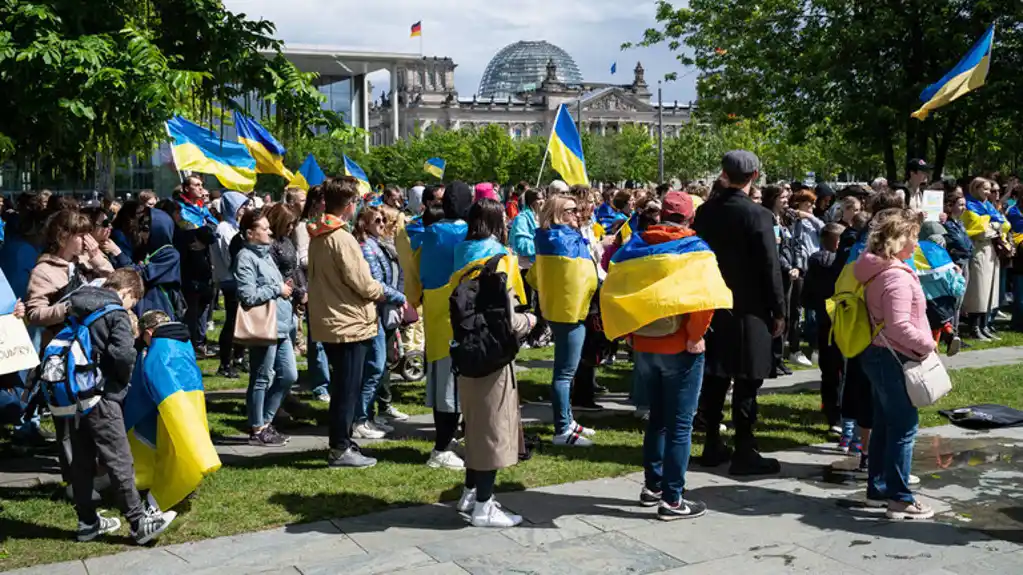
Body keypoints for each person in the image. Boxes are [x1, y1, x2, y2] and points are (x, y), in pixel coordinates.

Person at [618, 191, 724, 520]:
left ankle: (652, 486)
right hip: (680, 345)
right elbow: (704, 301)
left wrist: (629, 332)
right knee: (680, 425)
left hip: (646, 343)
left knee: (658, 420)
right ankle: (673, 499)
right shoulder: (695, 250)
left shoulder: (636, 246)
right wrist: (694, 336)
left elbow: (620, 289)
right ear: (690, 218)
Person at [64, 268, 177, 544]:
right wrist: (120, 386)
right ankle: (139, 523)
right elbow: (124, 355)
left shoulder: (78, 301)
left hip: (72, 393)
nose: (132, 308)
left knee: (82, 460)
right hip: (101, 394)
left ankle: (87, 522)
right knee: (119, 459)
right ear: (127, 292)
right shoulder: (115, 313)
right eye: (134, 302)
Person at [692, 150, 786, 476]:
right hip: (750, 309)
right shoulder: (758, 216)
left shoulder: (705, 212)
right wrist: (779, 309)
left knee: (716, 378)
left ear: (724, 173)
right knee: (746, 382)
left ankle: (712, 444)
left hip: (714, 305)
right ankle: (745, 449)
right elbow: (770, 267)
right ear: (754, 176)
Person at [452, 198, 535, 527]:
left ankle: (471, 492)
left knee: (473, 424)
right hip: (493, 354)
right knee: (493, 429)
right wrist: (528, 322)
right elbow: (507, 317)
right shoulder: (501, 259)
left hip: (465, 347)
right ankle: (484, 506)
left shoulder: (461, 252)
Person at [853, 211, 935, 519]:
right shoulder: (896, 277)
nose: (916, 243)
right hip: (894, 355)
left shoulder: (875, 270)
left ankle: (878, 488)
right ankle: (899, 498)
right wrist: (927, 345)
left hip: (879, 354)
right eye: (913, 237)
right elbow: (899, 326)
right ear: (897, 240)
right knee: (904, 426)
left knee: (886, 424)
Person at [307, 177, 385, 469]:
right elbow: (362, 283)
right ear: (350, 205)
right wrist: (382, 291)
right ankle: (339, 447)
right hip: (348, 322)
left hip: (332, 318)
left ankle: (342, 440)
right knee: (347, 388)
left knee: (343, 385)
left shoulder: (319, 234)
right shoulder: (341, 237)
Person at [408, 181, 473, 469]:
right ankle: (441, 448)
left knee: (441, 379)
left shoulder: (426, 233)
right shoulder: (465, 234)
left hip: (435, 313)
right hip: (456, 314)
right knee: (451, 384)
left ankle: (446, 441)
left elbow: (415, 275)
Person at [532, 194, 598, 446]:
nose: (577, 214)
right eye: (571, 210)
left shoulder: (551, 237)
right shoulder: (562, 240)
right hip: (571, 312)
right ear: (559, 213)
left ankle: (568, 420)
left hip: (562, 310)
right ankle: (562, 429)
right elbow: (582, 276)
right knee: (564, 373)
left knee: (565, 371)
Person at [234, 211, 297, 448]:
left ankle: (265, 421)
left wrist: (283, 289)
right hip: (264, 327)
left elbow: (274, 284)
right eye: (264, 228)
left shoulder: (266, 254)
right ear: (250, 233)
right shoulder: (245, 257)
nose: (270, 232)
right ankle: (257, 427)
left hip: (281, 325)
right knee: (261, 377)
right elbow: (247, 295)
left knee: (289, 375)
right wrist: (276, 289)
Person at [352, 205, 406, 439]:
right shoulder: (366, 247)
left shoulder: (377, 245)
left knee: (379, 365)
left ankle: (369, 417)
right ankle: (360, 419)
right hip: (371, 312)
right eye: (377, 221)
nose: (382, 224)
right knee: (374, 366)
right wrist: (400, 297)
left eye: (383, 220)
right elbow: (375, 282)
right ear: (364, 223)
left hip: (380, 310)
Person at [26, 209, 114, 339]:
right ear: (63, 237)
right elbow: (34, 314)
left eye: (88, 234)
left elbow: (115, 284)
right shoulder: (44, 271)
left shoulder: (87, 260)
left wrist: (97, 258)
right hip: (62, 344)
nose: (87, 240)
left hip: (93, 339)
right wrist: (68, 308)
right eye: (81, 235)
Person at [802, 222, 845, 430]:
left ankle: (831, 411)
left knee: (828, 371)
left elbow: (807, 293)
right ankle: (842, 412)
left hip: (823, 321)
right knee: (842, 369)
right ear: (837, 242)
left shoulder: (814, 263)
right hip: (842, 320)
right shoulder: (841, 264)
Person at [962, 177, 1008, 340]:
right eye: (985, 189)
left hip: (992, 250)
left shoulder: (988, 206)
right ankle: (974, 327)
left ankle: (984, 325)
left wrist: (993, 226)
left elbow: (1003, 224)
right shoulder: (968, 206)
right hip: (978, 249)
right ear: (975, 188)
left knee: (990, 289)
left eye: (989, 189)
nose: (988, 193)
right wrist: (993, 226)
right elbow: (978, 229)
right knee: (978, 290)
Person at [296, 185, 330, 402]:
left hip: (331, 286)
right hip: (313, 286)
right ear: (316, 202)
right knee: (317, 337)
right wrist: (328, 256)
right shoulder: (303, 226)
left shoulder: (332, 223)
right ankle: (320, 383)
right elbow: (302, 259)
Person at [211, 192, 251, 378]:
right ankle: (225, 363)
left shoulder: (233, 227)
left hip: (237, 279)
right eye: (241, 206)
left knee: (241, 321)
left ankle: (239, 358)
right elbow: (230, 257)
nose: (244, 209)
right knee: (232, 322)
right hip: (229, 280)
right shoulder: (224, 229)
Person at [761, 185, 794, 377]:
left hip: (789, 271)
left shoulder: (784, 218)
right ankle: (773, 358)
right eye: (782, 196)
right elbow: (774, 249)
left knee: (786, 316)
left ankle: (779, 357)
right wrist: (787, 267)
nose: (786, 199)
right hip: (779, 271)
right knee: (777, 314)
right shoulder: (768, 217)